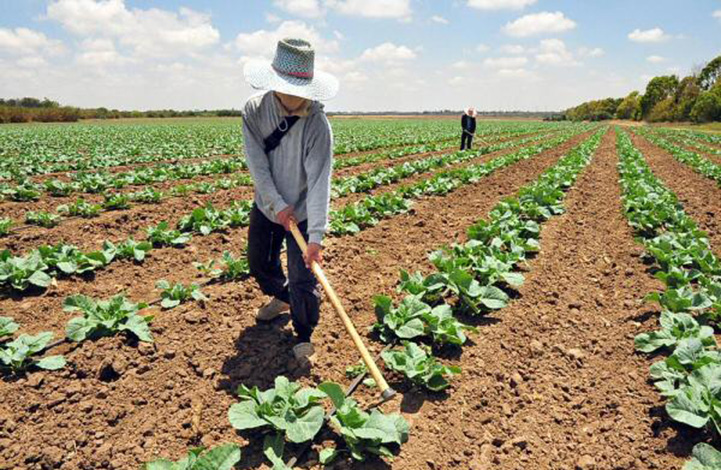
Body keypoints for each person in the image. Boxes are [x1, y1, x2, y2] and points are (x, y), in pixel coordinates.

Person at [241, 38, 338, 366]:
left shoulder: (317, 126)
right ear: (274, 85)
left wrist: (315, 239)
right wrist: (277, 205)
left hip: (304, 210)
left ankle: (304, 335)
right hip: (269, 206)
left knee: (303, 276)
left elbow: (319, 182)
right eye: (288, 88)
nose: (296, 97)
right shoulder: (254, 111)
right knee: (259, 264)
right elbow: (258, 166)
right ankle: (285, 299)